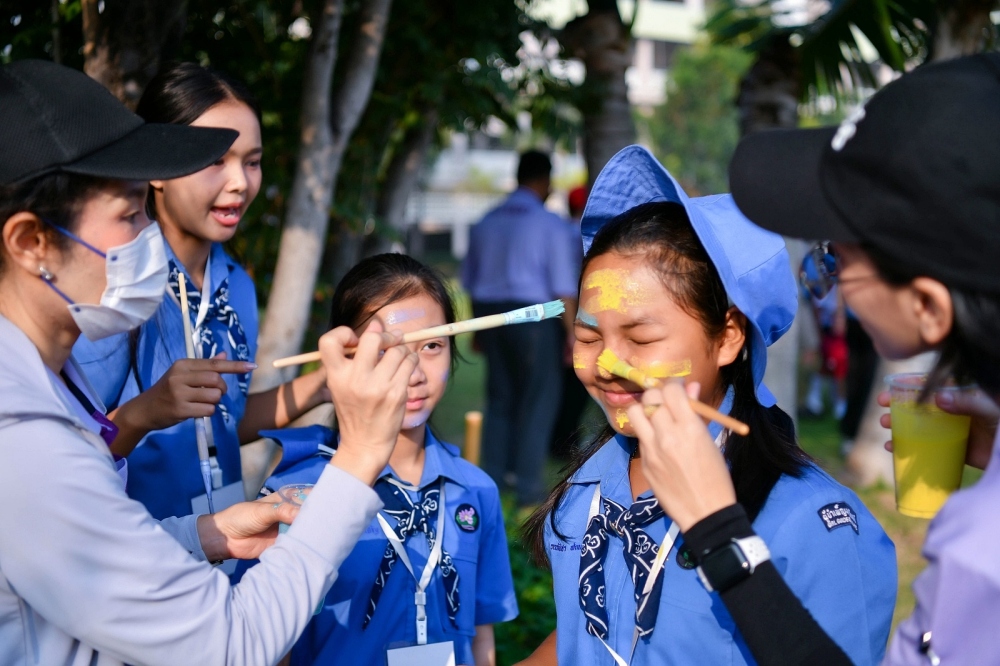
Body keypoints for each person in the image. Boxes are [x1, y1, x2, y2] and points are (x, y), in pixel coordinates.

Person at [0, 59, 417, 665]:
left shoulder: (48, 382)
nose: (148, 238)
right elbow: (229, 645)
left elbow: (77, 539)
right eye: (130, 215)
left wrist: (208, 535)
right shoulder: (25, 438)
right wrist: (359, 456)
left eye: (253, 160)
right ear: (31, 243)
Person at [624, 53, 1000, 665]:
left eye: (836, 258)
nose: (828, 280)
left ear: (928, 306)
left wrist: (717, 529)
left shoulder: (984, 555)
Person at [518, 146, 896, 666]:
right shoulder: (589, 487)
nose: (607, 363)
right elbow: (582, 636)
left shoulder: (811, 523)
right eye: (588, 337)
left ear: (728, 337)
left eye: (641, 339)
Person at [73, 63, 329, 523]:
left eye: (252, 161)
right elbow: (65, 455)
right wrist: (141, 414)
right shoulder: (115, 285)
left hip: (225, 550)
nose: (240, 182)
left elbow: (224, 424)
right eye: (214, 160)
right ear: (157, 168)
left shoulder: (237, 286)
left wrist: (324, 382)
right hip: (137, 550)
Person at [233, 254, 519, 666]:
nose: (413, 373)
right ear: (345, 359)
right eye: (386, 350)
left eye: (432, 345)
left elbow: (481, 633)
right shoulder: (294, 494)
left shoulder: (476, 489)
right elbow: (268, 641)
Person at [461, 150, 579, 504]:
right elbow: (563, 288)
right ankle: (528, 488)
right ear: (545, 180)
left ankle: (494, 481)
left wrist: (478, 328)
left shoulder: (487, 221)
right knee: (538, 400)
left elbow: (471, 281)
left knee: (499, 400)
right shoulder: (549, 224)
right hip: (537, 318)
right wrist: (573, 335)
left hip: (491, 316)